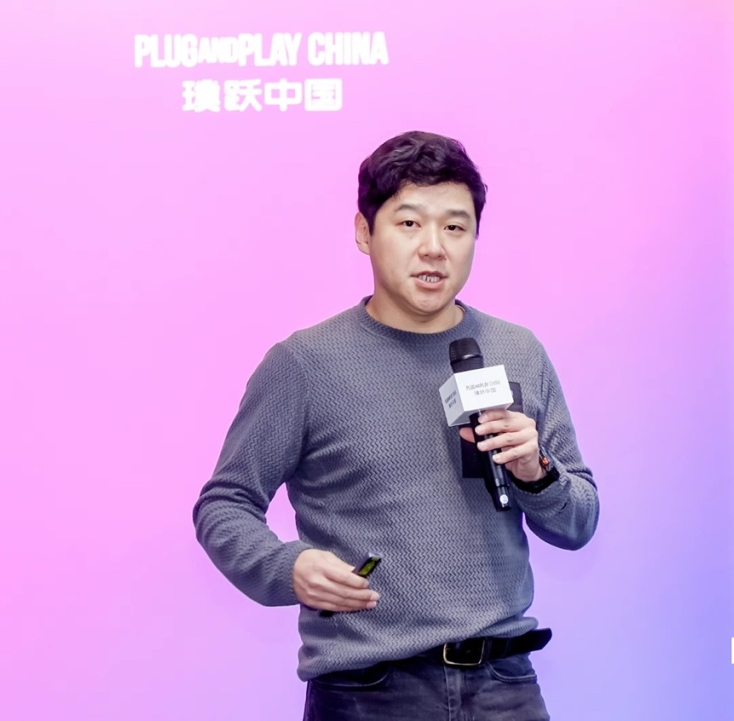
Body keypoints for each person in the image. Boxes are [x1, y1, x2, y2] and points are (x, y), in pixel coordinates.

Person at [192, 130, 599, 720]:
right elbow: (224, 503)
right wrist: (288, 567)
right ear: (365, 232)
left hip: (506, 685)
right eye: (410, 224)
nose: (434, 248)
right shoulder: (305, 364)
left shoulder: (518, 350)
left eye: (455, 227)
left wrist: (537, 472)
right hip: (368, 692)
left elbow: (579, 521)